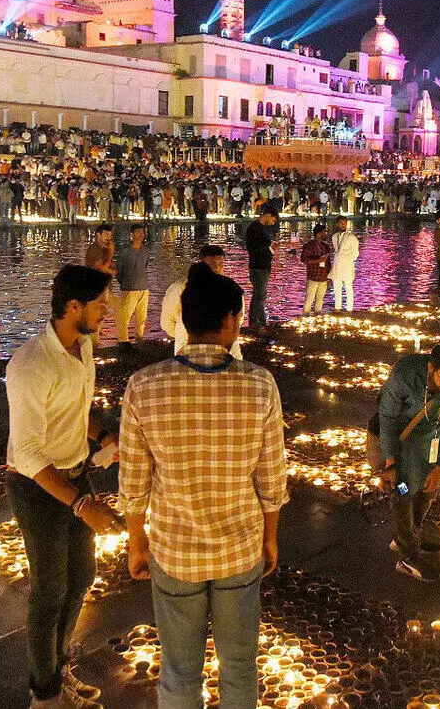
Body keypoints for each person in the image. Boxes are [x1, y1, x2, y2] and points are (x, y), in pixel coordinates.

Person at [120, 263, 287, 709]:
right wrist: (270, 539)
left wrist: (138, 543)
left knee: (178, 672)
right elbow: (271, 480)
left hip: (175, 553)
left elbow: (134, 483)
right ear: (232, 321)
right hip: (239, 550)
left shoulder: (143, 387)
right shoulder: (260, 385)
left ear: (183, 320)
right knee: (238, 666)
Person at [5, 265, 122, 708]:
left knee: (82, 577)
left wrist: (102, 435)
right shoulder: (31, 365)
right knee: (49, 590)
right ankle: (45, 694)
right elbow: (30, 452)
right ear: (72, 307)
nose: (106, 311)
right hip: (38, 488)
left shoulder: (82, 347)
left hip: (75, 475)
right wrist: (81, 506)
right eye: (99, 304)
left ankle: (58, 666)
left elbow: (73, 410)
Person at [376, 342, 440, 581]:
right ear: (431, 367)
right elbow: (386, 418)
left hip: (431, 437)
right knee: (404, 489)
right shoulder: (404, 375)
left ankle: (410, 534)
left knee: (430, 487)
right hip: (400, 437)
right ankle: (407, 555)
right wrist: (390, 462)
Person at [161, 246, 244, 359]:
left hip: (223, 339)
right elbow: (167, 320)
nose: (217, 267)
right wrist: (187, 332)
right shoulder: (180, 288)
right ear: (202, 263)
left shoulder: (230, 288)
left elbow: (239, 316)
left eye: (221, 263)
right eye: (213, 263)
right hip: (189, 340)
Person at [115, 224, 151, 348]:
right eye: (138, 232)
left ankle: (139, 338)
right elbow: (119, 270)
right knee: (125, 316)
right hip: (129, 287)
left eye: (143, 232)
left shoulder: (146, 250)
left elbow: (144, 266)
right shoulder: (125, 251)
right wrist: (124, 284)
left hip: (144, 287)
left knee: (142, 316)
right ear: (132, 234)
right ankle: (123, 340)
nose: (141, 234)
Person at [84, 223, 116, 348]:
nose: (109, 237)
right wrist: (111, 254)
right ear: (98, 235)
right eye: (106, 234)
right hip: (96, 290)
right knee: (96, 318)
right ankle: (93, 348)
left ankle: (95, 343)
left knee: (106, 314)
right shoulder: (94, 250)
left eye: (110, 235)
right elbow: (103, 268)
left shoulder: (104, 249)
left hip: (105, 287)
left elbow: (111, 269)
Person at [244, 207, 276, 330]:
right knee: (260, 295)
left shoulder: (259, 228)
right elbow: (253, 249)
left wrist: (270, 245)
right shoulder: (255, 229)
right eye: (273, 220)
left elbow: (261, 245)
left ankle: (253, 321)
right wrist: (270, 248)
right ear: (268, 215)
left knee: (257, 295)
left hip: (261, 266)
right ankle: (261, 323)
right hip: (258, 267)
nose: (273, 223)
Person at [329, 216, 360, 312]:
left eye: (345, 223)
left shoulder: (351, 237)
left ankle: (349, 309)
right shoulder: (334, 237)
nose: (343, 225)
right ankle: (337, 308)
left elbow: (355, 253)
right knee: (337, 287)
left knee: (348, 288)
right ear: (337, 224)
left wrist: (347, 260)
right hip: (337, 265)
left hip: (347, 265)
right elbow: (336, 249)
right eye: (341, 223)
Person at [300, 223, 332, 315]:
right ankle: (305, 317)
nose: (325, 234)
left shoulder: (326, 246)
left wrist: (329, 277)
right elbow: (304, 260)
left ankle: (317, 317)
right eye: (324, 232)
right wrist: (318, 260)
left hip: (323, 277)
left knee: (320, 300)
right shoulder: (309, 245)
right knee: (309, 299)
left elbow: (328, 263)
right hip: (313, 276)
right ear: (318, 233)